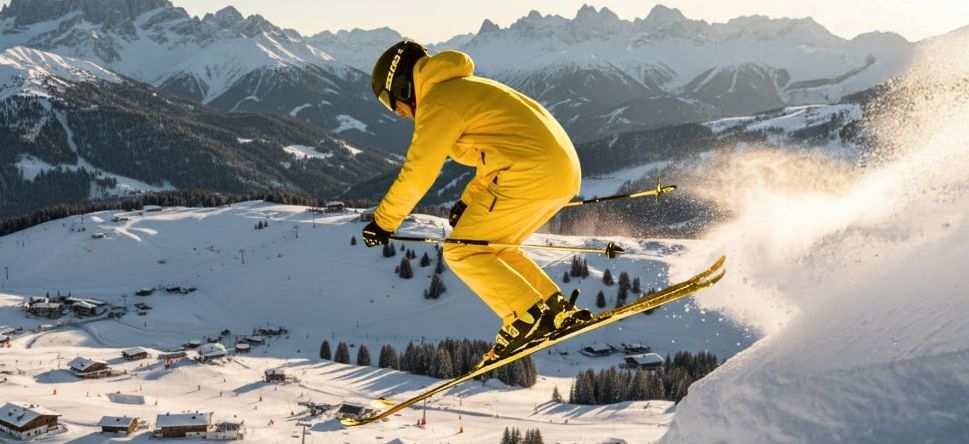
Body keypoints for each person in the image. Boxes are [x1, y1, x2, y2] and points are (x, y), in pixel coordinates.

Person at [361, 41, 591, 361]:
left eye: (391, 103)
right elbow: (495, 152)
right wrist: (468, 200)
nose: (398, 113)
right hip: (562, 172)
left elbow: (419, 171)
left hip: (531, 171)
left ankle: (524, 316)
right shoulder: (465, 88)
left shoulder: (438, 101)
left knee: (461, 250)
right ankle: (555, 310)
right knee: (496, 246)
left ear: (401, 85)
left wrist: (384, 221)